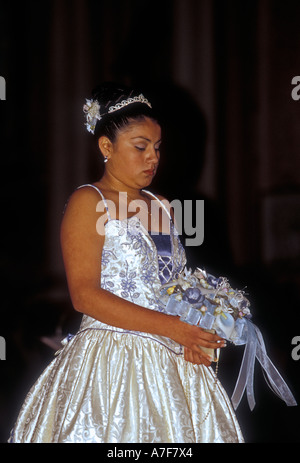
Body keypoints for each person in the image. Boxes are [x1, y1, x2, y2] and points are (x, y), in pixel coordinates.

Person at [9, 83, 244, 443]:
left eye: (157, 147)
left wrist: (199, 327)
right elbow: (84, 296)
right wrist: (174, 327)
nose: (153, 157)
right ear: (106, 147)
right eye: (140, 146)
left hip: (172, 358)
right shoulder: (89, 201)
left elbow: (172, 284)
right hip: (112, 358)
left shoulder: (164, 205)